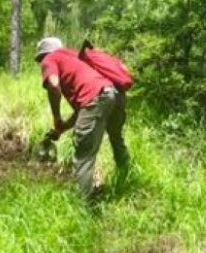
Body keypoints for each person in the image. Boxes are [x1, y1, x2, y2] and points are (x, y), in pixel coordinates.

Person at [35, 36, 133, 200]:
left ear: (43, 54)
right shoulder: (76, 57)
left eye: (39, 60)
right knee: (116, 139)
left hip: (98, 97)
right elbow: (86, 106)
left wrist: (56, 117)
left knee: (83, 155)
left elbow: (53, 85)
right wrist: (63, 126)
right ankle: (127, 181)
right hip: (116, 95)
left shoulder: (50, 58)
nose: (41, 64)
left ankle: (83, 204)